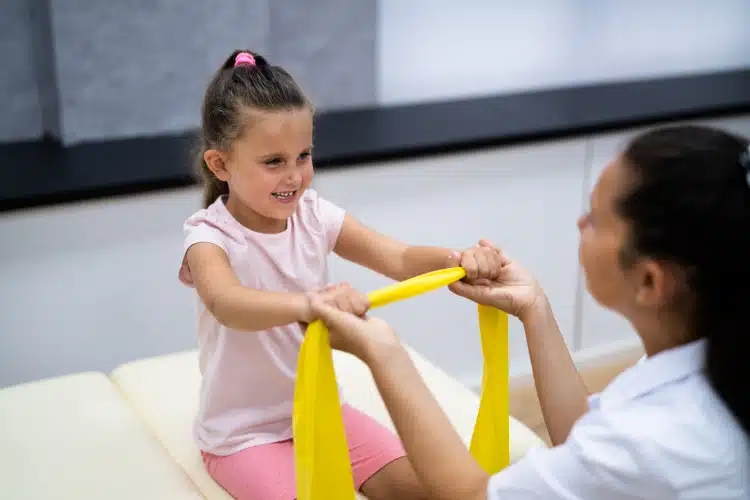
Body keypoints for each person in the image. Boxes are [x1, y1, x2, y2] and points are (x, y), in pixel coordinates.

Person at [308, 124, 750, 499]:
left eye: (594, 218)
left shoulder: (654, 439)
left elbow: (474, 495)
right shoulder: (705, 371)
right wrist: (534, 309)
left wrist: (384, 353)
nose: (579, 224)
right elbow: (586, 439)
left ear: (651, 282)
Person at [177, 49, 473, 500]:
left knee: (429, 491)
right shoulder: (208, 236)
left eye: (303, 155)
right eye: (273, 161)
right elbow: (228, 304)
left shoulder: (314, 215)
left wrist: (458, 258)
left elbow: (397, 257)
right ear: (221, 165)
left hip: (319, 413)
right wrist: (309, 304)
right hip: (243, 437)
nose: (294, 175)